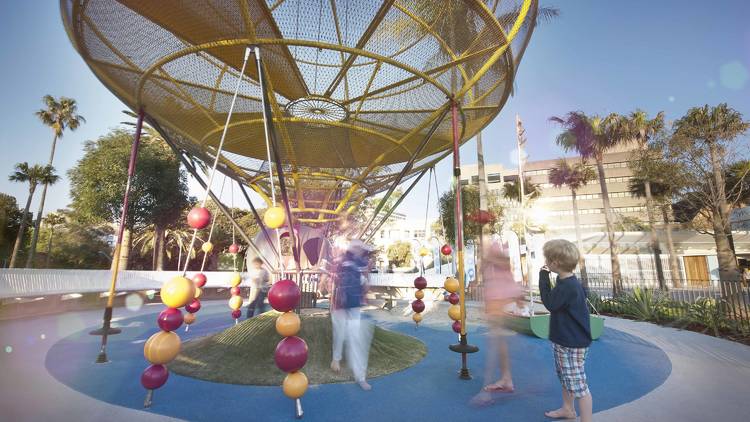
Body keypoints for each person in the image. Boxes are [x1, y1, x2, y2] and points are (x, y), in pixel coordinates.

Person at [539, 239, 593, 422]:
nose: (545, 261)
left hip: (571, 344)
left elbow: (550, 303)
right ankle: (568, 409)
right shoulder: (566, 281)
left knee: (580, 387)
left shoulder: (568, 286)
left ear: (555, 263)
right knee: (566, 378)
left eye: (547, 258)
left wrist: (543, 277)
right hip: (565, 340)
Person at [471, 235, 523, 406]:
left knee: (495, 343)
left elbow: (505, 263)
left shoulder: (493, 249)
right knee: (499, 343)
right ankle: (506, 379)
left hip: (499, 301)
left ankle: (485, 391)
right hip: (497, 301)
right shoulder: (488, 256)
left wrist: (488, 257)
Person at [330, 239, 374, 391]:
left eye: (362, 249)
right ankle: (336, 360)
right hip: (340, 305)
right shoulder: (342, 261)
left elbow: (365, 283)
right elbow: (333, 279)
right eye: (359, 248)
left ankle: (360, 376)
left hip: (353, 304)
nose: (361, 251)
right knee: (339, 334)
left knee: (354, 338)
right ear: (353, 248)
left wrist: (365, 290)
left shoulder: (361, 263)